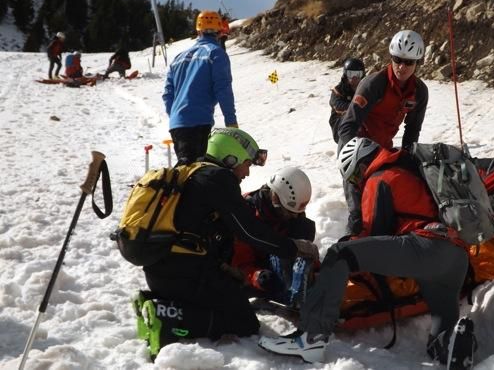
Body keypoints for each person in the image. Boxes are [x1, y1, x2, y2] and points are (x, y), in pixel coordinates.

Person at [259, 137, 476, 367]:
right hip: (456, 256)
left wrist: (332, 268)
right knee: (442, 329)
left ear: (361, 165)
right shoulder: (408, 170)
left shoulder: (378, 177)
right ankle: (454, 347)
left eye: (354, 177)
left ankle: (310, 338)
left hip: (426, 249)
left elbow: (370, 235)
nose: (356, 183)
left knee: (341, 253)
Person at [141, 128, 319, 355]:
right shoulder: (218, 179)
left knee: (231, 296)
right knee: (244, 323)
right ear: (230, 157)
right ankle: (164, 317)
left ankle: (160, 304)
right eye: (246, 163)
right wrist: (292, 248)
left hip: (168, 270)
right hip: (182, 272)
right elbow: (249, 231)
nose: (246, 172)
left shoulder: (196, 173)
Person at [336, 30, 429, 235]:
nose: (401, 67)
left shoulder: (420, 92)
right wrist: (354, 158)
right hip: (355, 146)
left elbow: (412, 130)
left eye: (408, 62)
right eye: (397, 60)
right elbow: (347, 127)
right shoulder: (373, 84)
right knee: (358, 210)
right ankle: (353, 239)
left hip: (382, 148)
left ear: (417, 63)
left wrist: (408, 159)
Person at [232, 166, 316, 306]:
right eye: (289, 212)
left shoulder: (292, 214)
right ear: (276, 199)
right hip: (256, 269)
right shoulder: (246, 213)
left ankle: (300, 288)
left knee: (304, 226)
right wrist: (257, 276)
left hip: (279, 260)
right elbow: (240, 263)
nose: (294, 216)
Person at [163, 10, 238, 165]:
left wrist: (178, 115)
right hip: (199, 122)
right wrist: (231, 122)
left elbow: (167, 94)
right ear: (219, 30)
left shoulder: (179, 57)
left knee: (187, 170)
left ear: (198, 30)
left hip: (177, 124)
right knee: (195, 174)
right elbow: (223, 89)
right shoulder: (216, 53)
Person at [328, 58, 366, 144]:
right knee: (348, 118)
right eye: (351, 74)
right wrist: (357, 107)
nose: (354, 78)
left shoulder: (366, 89)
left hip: (362, 124)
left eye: (358, 74)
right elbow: (338, 106)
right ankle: (345, 150)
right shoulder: (338, 90)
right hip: (340, 126)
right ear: (345, 74)